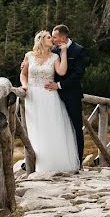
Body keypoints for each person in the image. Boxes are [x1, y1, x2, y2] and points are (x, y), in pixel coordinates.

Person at [19, 30, 80, 172]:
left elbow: (62, 72)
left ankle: (53, 164)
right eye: (48, 37)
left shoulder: (54, 57)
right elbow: (23, 74)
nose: (52, 40)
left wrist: (64, 53)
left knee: (50, 127)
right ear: (40, 40)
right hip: (32, 96)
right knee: (36, 128)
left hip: (49, 96)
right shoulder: (29, 55)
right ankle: (36, 163)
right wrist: (25, 86)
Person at [43, 25, 88, 164]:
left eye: (55, 37)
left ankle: (78, 161)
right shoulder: (54, 50)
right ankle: (60, 159)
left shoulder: (79, 50)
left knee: (76, 127)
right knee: (57, 126)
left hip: (72, 95)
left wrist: (59, 85)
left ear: (63, 37)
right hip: (54, 96)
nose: (53, 39)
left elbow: (78, 74)